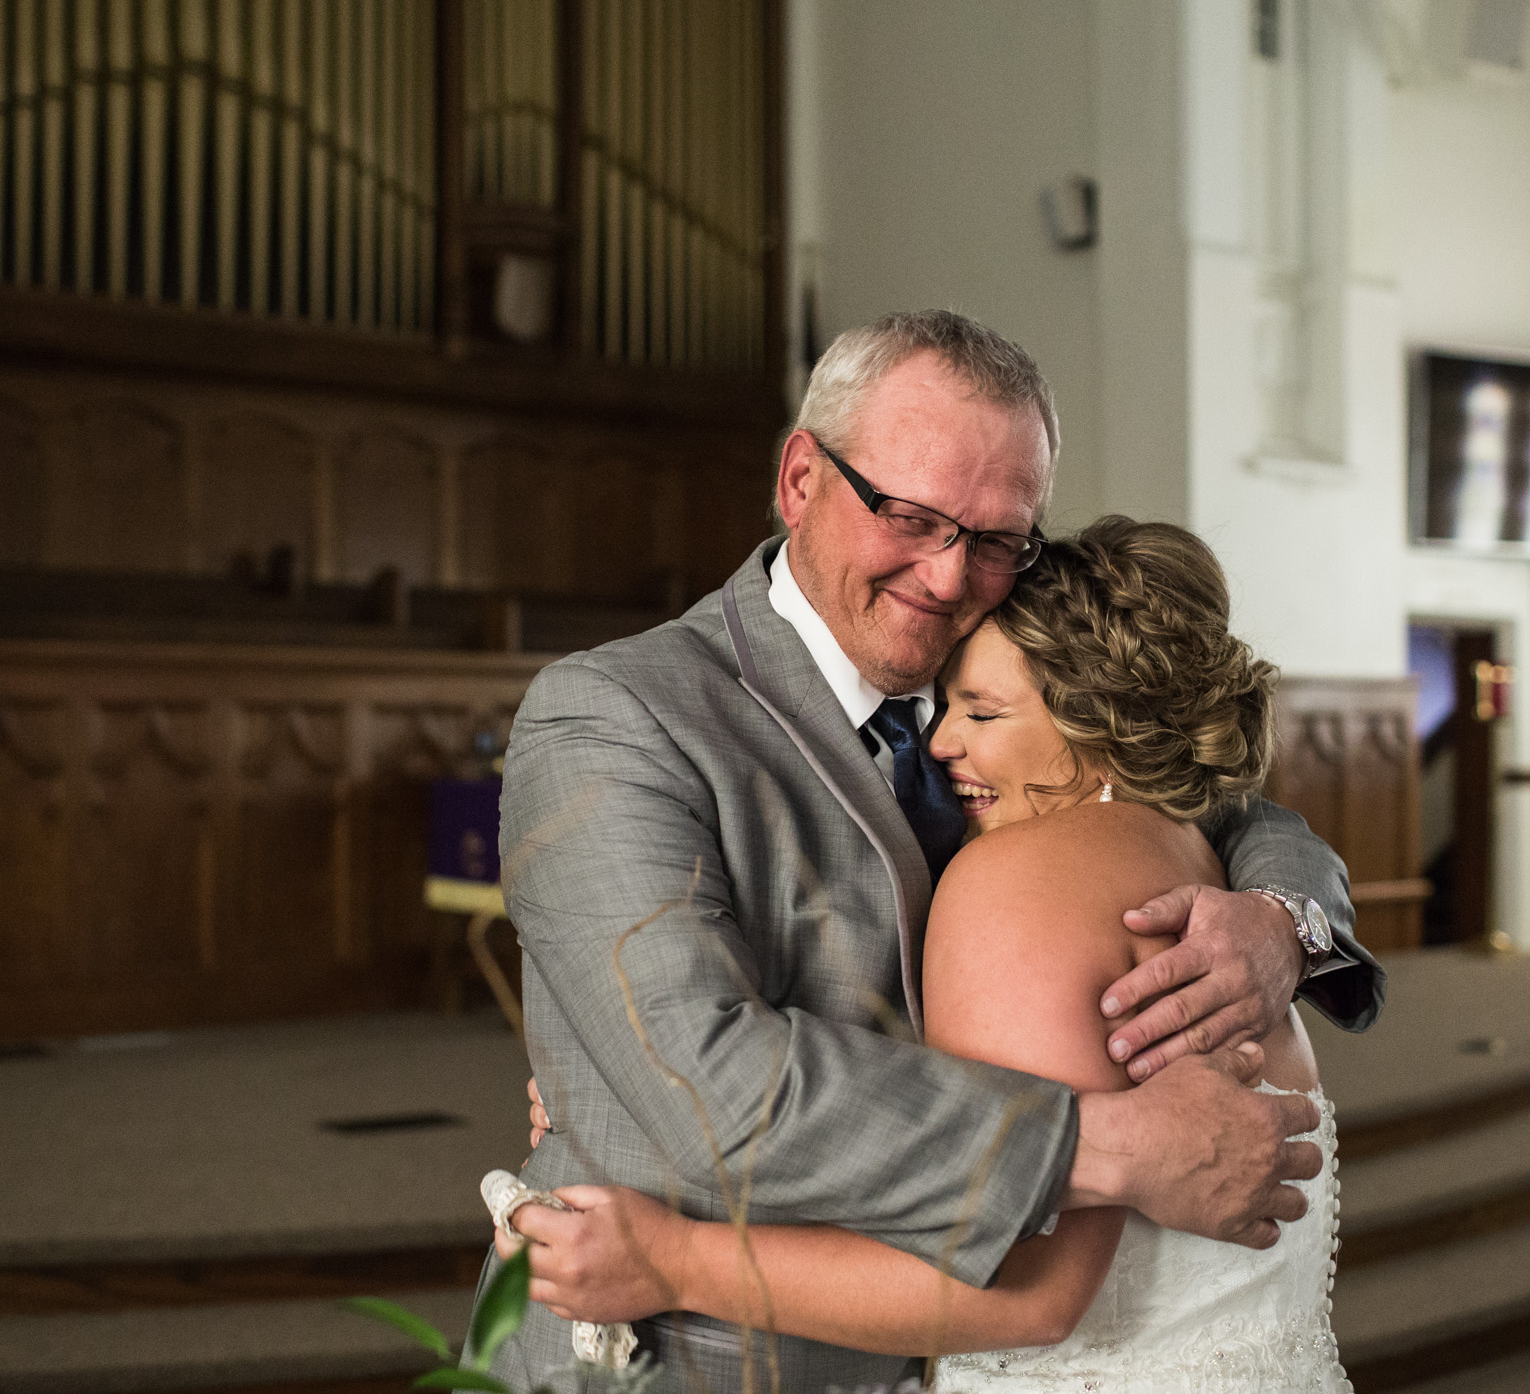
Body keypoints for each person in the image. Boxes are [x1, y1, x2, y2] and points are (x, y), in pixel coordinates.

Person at [485, 310, 1383, 1392]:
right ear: (802, 479)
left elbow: (1199, 794)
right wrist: (1104, 1148)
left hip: (949, 1334)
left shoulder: (1000, 666)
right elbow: (702, 1085)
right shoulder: (616, 712)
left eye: (999, 537)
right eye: (911, 516)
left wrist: (1284, 922)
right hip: (707, 1357)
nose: (951, 576)